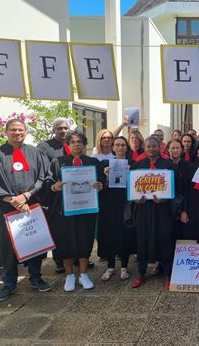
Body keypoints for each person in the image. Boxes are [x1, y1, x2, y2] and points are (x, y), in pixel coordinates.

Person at [0, 119, 51, 301]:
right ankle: (9, 283)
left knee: (34, 243)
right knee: (6, 247)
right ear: (6, 132)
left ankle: (36, 278)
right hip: (5, 209)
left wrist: (27, 196)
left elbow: (43, 177)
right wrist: (11, 199)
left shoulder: (35, 153)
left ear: (25, 132)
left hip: (30, 206)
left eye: (21, 130)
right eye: (13, 130)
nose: (17, 133)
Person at [47, 130, 105, 292]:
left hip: (86, 209)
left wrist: (101, 186)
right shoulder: (58, 162)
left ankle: (84, 274)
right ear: (68, 144)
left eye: (79, 142)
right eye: (73, 142)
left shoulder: (93, 162)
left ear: (84, 144)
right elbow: (48, 183)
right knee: (66, 241)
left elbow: (102, 182)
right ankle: (70, 275)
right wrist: (54, 186)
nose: (76, 144)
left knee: (85, 240)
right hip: (65, 210)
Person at [130, 136, 180, 290]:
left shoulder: (169, 166)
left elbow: (176, 189)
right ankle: (141, 273)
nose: (151, 149)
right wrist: (135, 199)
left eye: (154, 146)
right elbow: (132, 190)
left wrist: (166, 199)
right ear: (144, 148)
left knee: (164, 239)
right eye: (148, 146)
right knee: (142, 239)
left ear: (160, 147)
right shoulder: (137, 166)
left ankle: (168, 274)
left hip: (162, 210)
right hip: (144, 210)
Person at [37, 118, 72, 274]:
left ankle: (76, 257)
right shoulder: (45, 146)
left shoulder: (73, 144)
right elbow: (43, 170)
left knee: (73, 226)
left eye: (65, 128)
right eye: (59, 128)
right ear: (54, 130)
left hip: (73, 194)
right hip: (55, 194)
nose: (63, 130)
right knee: (58, 228)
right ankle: (59, 260)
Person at [98, 136, 135, 281]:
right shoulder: (105, 164)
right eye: (117, 145)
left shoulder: (133, 164)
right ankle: (110, 266)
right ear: (113, 147)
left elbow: (137, 186)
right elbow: (101, 187)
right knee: (110, 234)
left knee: (125, 234)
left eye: (123, 145)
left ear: (127, 147)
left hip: (126, 203)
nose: (120, 148)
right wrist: (106, 177)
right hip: (109, 204)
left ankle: (124, 266)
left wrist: (131, 175)